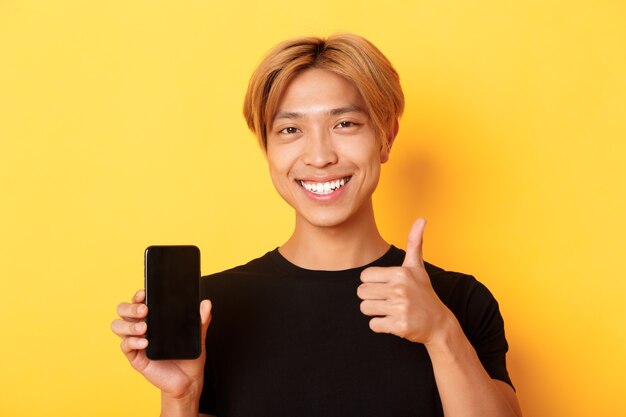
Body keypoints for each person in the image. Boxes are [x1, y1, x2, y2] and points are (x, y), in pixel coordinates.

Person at [112, 33, 522, 417]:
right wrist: (180, 397)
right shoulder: (208, 310)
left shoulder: (459, 300)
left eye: (345, 124)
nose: (320, 156)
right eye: (290, 130)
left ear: (386, 138)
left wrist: (441, 333)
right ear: (268, 150)